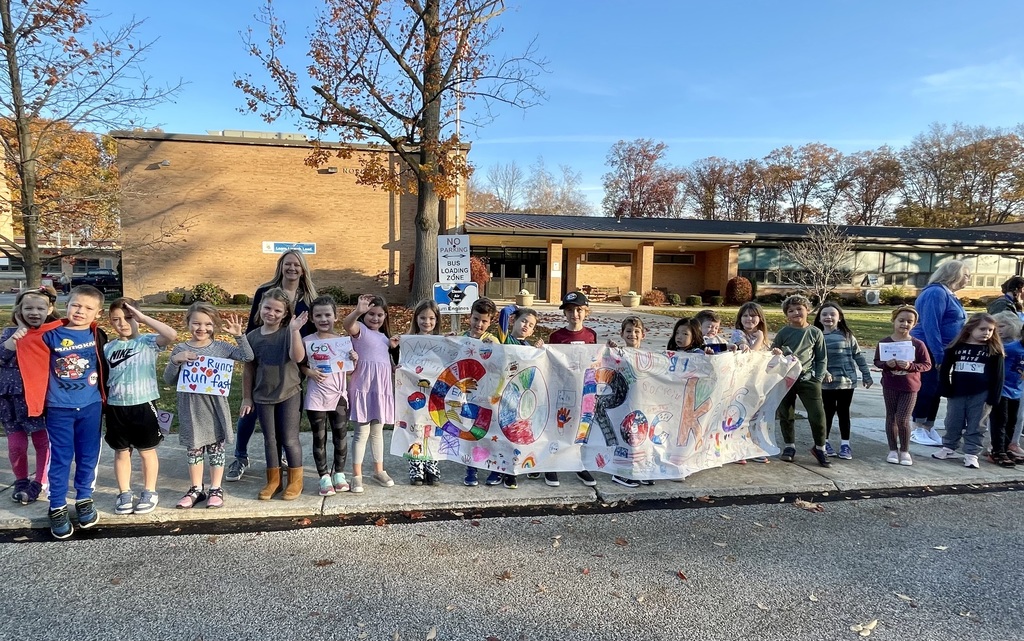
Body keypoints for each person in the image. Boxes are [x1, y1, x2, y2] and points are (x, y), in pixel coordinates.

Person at [9, 285, 108, 539]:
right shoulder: (50, 334)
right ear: (66, 304)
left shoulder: (97, 334)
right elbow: (27, 339)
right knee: (61, 458)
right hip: (59, 408)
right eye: (76, 305)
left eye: (88, 308)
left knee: (87, 456)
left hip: (91, 406)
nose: (80, 311)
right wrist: (21, 322)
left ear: (97, 312)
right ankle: (57, 506)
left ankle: (84, 499)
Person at [227, 249, 317, 483]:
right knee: (250, 409)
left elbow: (315, 332)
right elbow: (253, 324)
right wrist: (248, 347)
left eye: (297, 265)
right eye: (288, 264)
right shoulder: (265, 293)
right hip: (263, 354)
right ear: (281, 265)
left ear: (303, 269)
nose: (292, 268)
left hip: (293, 362)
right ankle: (241, 456)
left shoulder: (308, 298)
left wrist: (307, 365)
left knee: (289, 415)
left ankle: (286, 458)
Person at [163, 302, 252, 509]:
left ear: (215, 325)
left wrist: (239, 336)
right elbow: (168, 379)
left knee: (216, 449)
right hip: (191, 409)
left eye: (207, 324)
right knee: (193, 450)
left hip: (215, 409)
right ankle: (195, 489)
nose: (201, 328)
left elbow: (248, 357)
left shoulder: (221, 348)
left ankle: (215, 488)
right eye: (196, 323)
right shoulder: (181, 349)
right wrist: (176, 360)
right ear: (188, 323)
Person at [104, 298, 177, 515]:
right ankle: (124, 492)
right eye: (116, 320)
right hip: (116, 407)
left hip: (143, 405)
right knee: (121, 453)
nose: (122, 323)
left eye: (127, 318)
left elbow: (171, 335)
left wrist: (143, 318)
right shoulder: (108, 347)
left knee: (147, 451)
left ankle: (149, 491)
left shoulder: (148, 342)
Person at [241, 288, 307, 500]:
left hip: (289, 392)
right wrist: (247, 397)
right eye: (267, 308)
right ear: (259, 309)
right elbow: (249, 369)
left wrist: (295, 331)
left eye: (278, 310)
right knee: (270, 440)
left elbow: (297, 358)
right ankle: (274, 480)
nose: (271, 313)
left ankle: (295, 481)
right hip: (262, 396)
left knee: (289, 438)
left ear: (285, 313)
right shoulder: (252, 337)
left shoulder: (289, 332)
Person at [0, 287, 59, 505]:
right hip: (10, 400)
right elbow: (2, 357)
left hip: (37, 398)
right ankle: (21, 480)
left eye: (39, 308)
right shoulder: (9, 334)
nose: (34, 312)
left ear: (50, 309)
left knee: (42, 442)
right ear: (19, 310)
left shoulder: (50, 334)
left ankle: (39, 482)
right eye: (28, 308)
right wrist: (19, 333)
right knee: (16, 445)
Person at [932, 313, 1004, 470]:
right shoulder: (956, 348)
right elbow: (944, 369)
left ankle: (971, 454)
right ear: (971, 328)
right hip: (957, 391)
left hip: (981, 394)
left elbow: (999, 376)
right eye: (982, 329)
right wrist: (945, 386)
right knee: (952, 421)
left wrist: (994, 397)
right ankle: (949, 447)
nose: (986, 333)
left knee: (977, 425)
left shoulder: (994, 351)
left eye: (990, 330)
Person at [343, 294, 399, 493]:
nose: (375, 318)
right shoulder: (361, 331)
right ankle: (356, 475)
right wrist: (358, 310)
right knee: (361, 433)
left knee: (378, 432)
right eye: (371, 314)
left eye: (380, 315)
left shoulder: (385, 339)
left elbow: (388, 364)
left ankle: (379, 470)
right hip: (363, 388)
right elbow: (347, 324)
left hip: (381, 390)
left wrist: (395, 364)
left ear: (385, 317)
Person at [910, 259, 970, 446]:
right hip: (929, 347)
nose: (969, 279)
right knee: (928, 387)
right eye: (966, 275)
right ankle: (916, 426)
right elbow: (930, 325)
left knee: (937, 388)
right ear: (955, 274)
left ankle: (928, 426)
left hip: (945, 348)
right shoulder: (935, 292)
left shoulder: (949, 294)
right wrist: (937, 353)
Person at [542, 291, 598, 488]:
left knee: (579, 427)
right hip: (562, 390)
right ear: (564, 314)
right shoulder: (557, 336)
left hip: (583, 390)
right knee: (559, 426)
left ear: (586, 312)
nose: (575, 314)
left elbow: (595, 360)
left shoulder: (591, 335)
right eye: (570, 311)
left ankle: (578, 463)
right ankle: (551, 464)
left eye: (579, 310)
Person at [302, 295, 356, 495]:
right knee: (320, 437)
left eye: (327, 315)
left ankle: (339, 474)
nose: (323, 319)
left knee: (340, 437)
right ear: (312, 319)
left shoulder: (343, 342)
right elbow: (299, 365)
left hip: (339, 397)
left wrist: (354, 359)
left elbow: (349, 371)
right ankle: (324, 476)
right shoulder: (307, 341)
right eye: (318, 315)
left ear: (335, 317)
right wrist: (309, 372)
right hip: (316, 397)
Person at [770, 295, 831, 468]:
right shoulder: (784, 333)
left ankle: (820, 447)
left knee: (817, 414)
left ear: (808, 310)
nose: (796, 313)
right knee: (786, 413)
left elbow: (821, 358)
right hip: (786, 378)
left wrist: (817, 378)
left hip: (808, 379)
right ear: (786, 315)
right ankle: (789, 446)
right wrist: (775, 353)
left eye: (799, 309)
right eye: (791, 311)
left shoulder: (815, 332)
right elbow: (773, 352)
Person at [813, 302, 873, 460]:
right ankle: (824, 443)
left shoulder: (847, 335)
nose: (828, 317)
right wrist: (823, 372)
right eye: (824, 314)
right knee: (828, 412)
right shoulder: (816, 335)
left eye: (832, 314)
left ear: (839, 318)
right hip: (826, 383)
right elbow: (814, 359)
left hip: (847, 381)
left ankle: (845, 444)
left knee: (844, 412)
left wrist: (866, 375)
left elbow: (858, 356)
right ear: (819, 318)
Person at [874, 306, 932, 465]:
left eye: (909, 321)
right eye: (901, 320)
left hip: (909, 386)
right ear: (894, 321)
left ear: (914, 324)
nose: (904, 324)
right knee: (891, 417)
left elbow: (927, 365)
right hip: (890, 384)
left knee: (903, 418)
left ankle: (905, 450)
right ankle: (892, 449)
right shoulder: (884, 342)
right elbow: (877, 361)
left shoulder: (918, 344)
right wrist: (887, 364)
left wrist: (910, 366)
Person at [498, 306, 545, 490]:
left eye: (531, 325)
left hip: (523, 398)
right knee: (509, 434)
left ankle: (526, 464)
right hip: (505, 395)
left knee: (524, 433)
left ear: (533, 330)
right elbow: (503, 313)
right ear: (514, 321)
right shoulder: (505, 339)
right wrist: (515, 308)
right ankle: (509, 471)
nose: (526, 326)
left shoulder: (530, 347)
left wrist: (539, 351)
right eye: (523, 321)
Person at [608, 316, 653, 488]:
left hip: (643, 403)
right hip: (624, 404)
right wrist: (611, 350)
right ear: (621, 333)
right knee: (626, 437)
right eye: (628, 331)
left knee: (641, 437)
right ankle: (620, 473)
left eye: (636, 331)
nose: (632, 334)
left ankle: (639, 470)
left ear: (643, 334)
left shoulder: (649, 356)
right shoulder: (618, 354)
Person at [457, 297, 498, 487]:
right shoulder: (461, 337)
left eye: (484, 321)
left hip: (487, 394)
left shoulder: (493, 341)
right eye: (475, 319)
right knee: (470, 430)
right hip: (467, 394)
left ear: (490, 322)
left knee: (488, 430)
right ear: (469, 317)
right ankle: (471, 468)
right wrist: (450, 341)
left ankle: (493, 466)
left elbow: (502, 364)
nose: (479, 324)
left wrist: (496, 349)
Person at [403, 300, 442, 486]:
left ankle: (432, 463)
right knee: (415, 427)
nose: (427, 322)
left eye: (431, 318)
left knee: (434, 428)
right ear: (416, 318)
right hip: (414, 394)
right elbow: (400, 364)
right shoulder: (408, 341)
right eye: (423, 318)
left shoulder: (443, 342)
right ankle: (416, 465)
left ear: (437, 320)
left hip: (435, 395)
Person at [987, 312, 1024, 467]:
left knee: (1011, 421)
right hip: (1002, 389)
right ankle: (997, 451)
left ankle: (1006, 448)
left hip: (1017, 390)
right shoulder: (1010, 348)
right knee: (1000, 421)